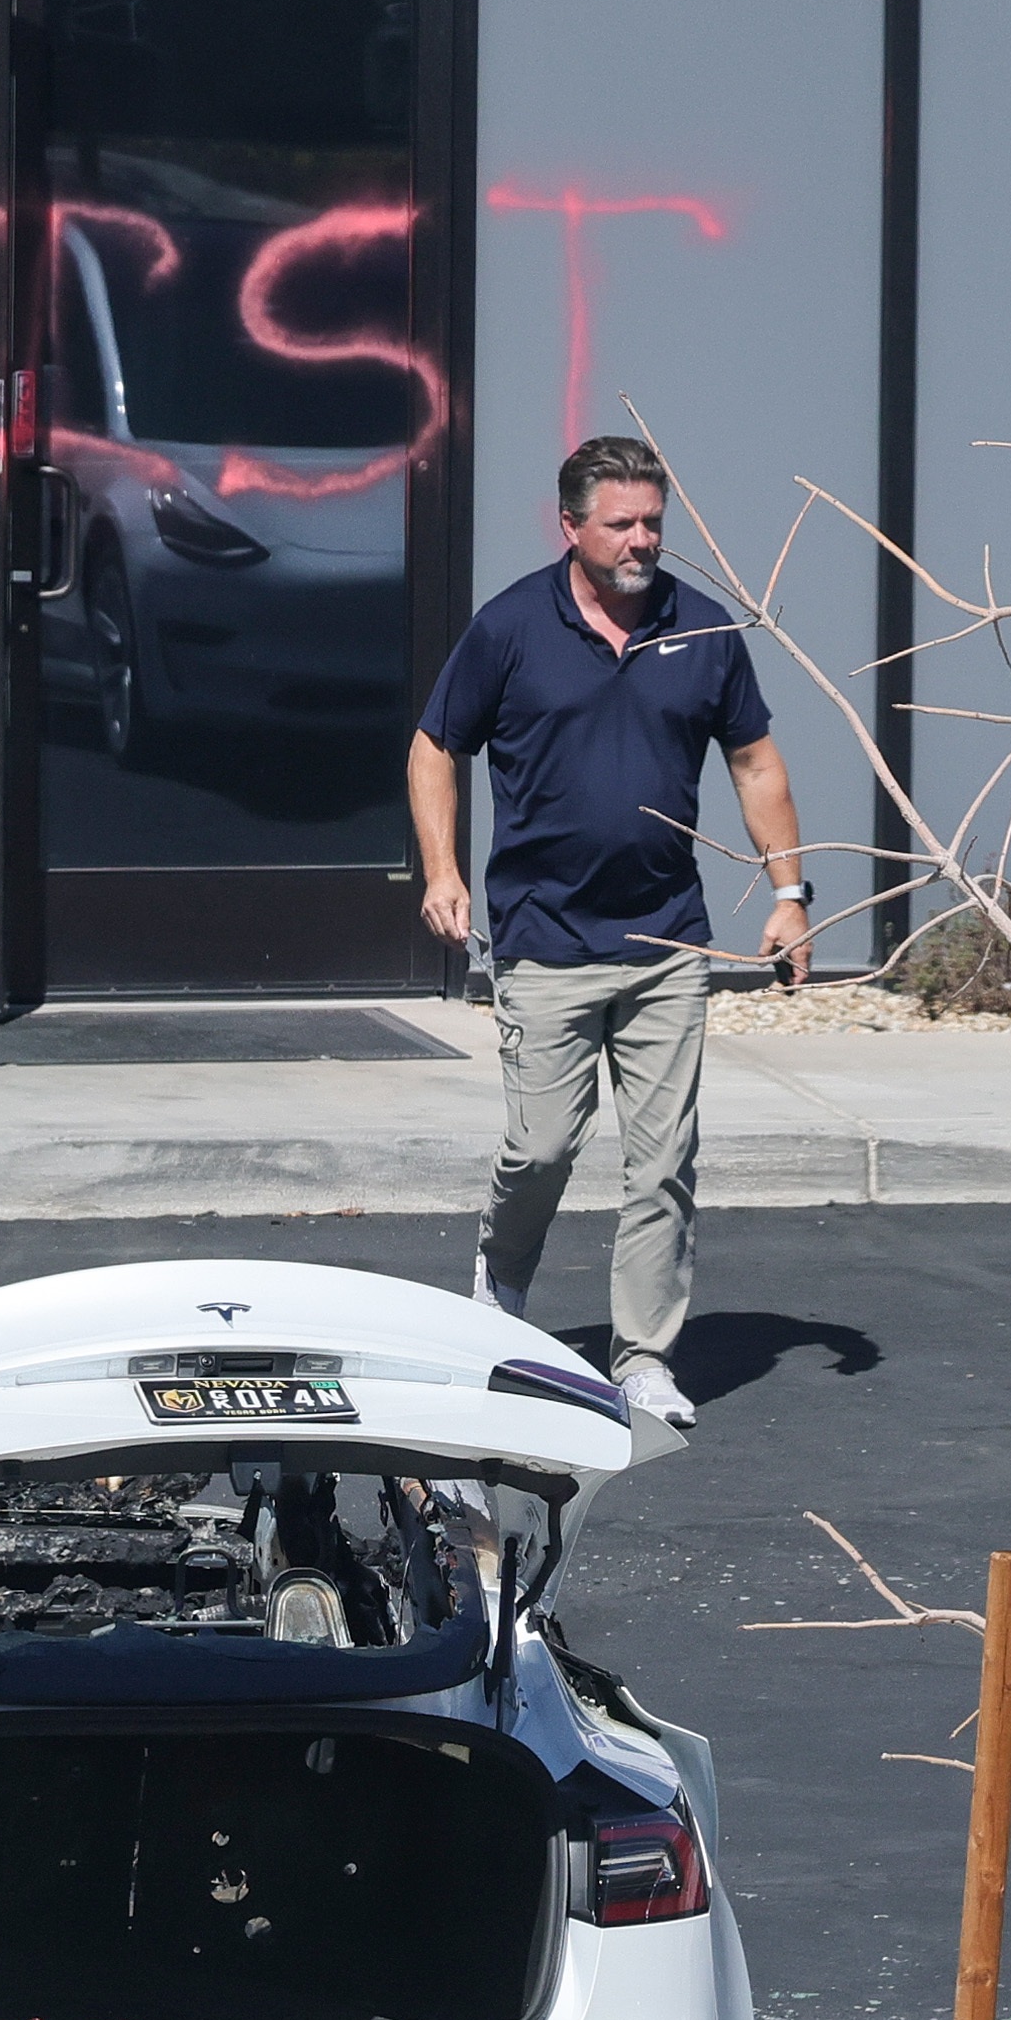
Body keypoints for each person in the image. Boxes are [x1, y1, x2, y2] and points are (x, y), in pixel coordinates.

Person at [407, 437, 809, 1434]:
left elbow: (756, 763)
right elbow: (433, 747)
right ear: (572, 528)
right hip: (545, 935)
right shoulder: (510, 628)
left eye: (651, 523)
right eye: (620, 523)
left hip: (669, 941)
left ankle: (642, 1360)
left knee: (662, 1157)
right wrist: (446, 872)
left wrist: (789, 890)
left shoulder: (702, 632)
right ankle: (501, 1285)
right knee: (542, 1146)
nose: (641, 541)